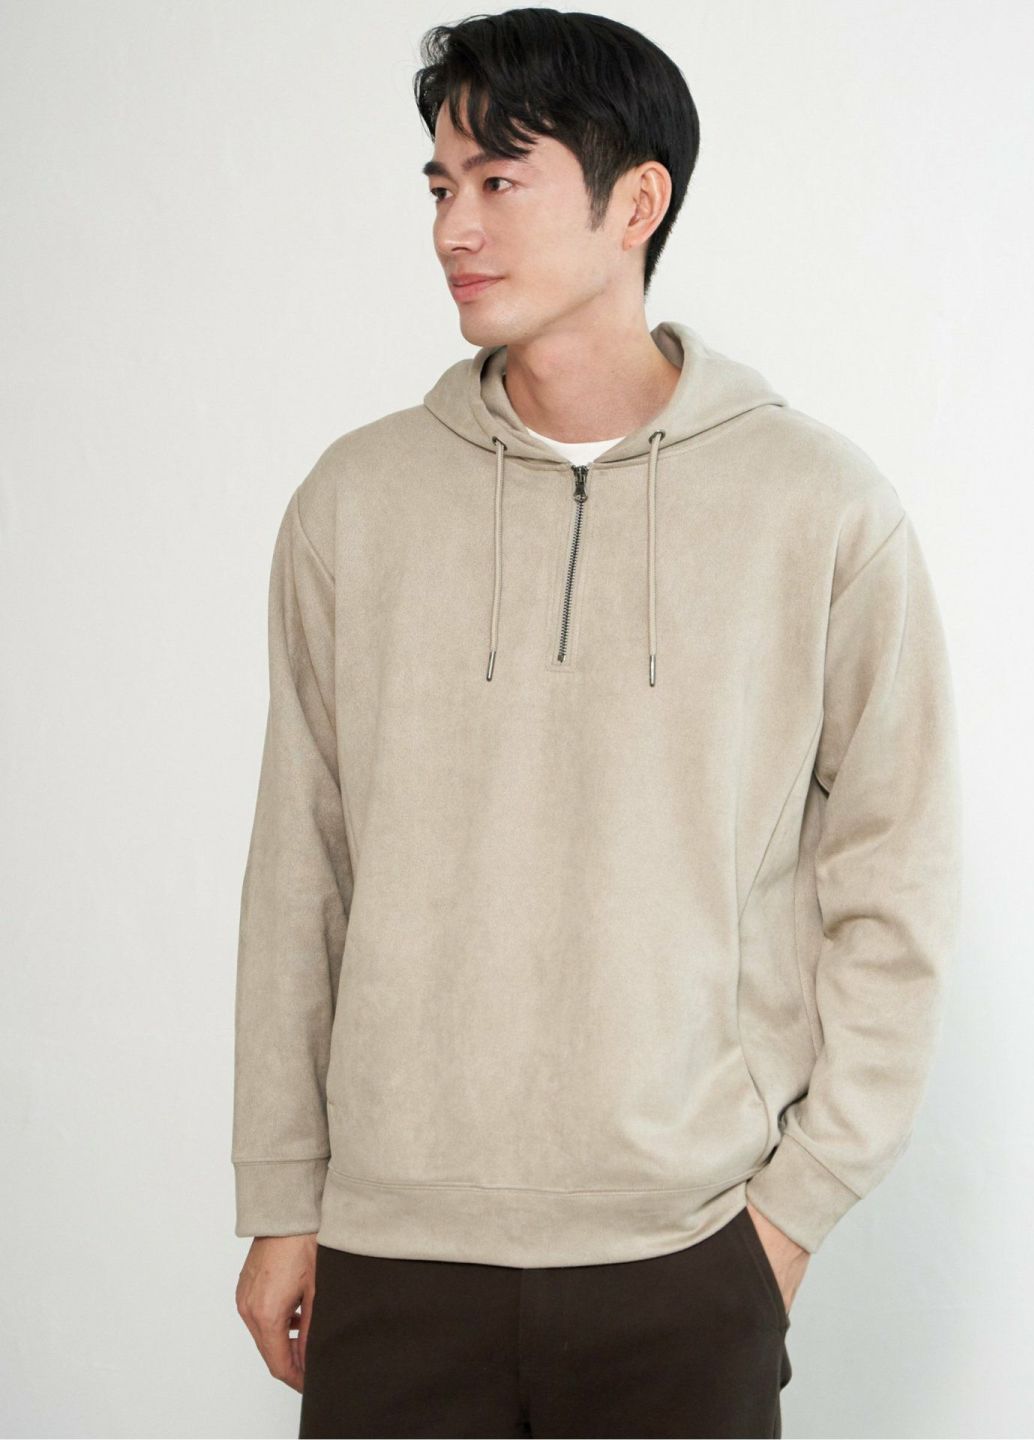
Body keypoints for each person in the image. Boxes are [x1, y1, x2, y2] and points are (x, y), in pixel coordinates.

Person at [231, 9, 963, 1438]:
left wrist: (793, 1213)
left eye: (501, 180)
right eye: (441, 184)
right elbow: (300, 865)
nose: (454, 228)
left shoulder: (818, 506)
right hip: (392, 1244)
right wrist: (280, 1192)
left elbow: (897, 876)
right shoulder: (355, 503)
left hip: (685, 1249)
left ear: (638, 201)